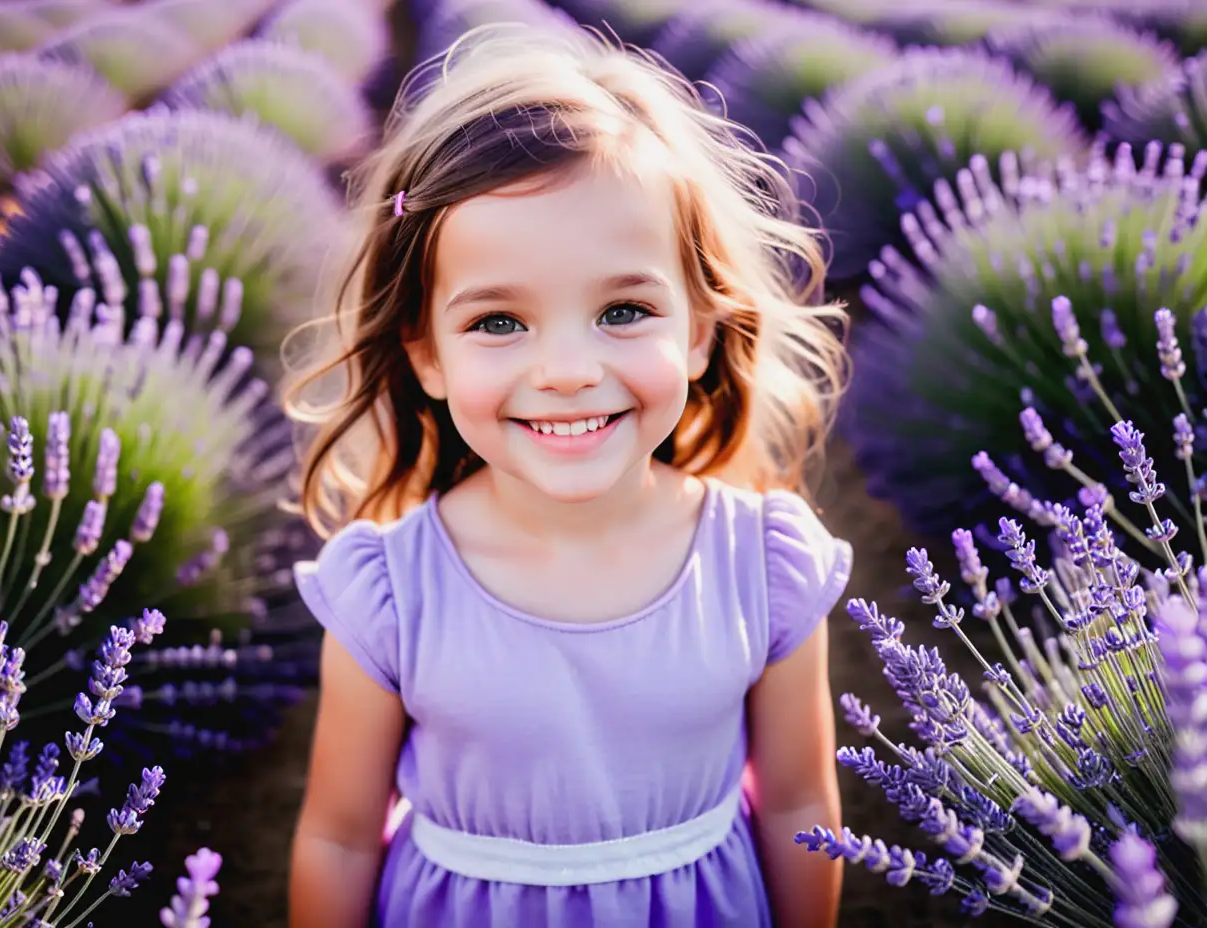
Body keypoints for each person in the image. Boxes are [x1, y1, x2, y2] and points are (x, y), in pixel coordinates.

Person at [284, 23, 853, 928]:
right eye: (499, 323)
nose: (565, 370)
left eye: (623, 310)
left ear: (700, 331)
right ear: (425, 356)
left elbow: (796, 809)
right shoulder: (391, 591)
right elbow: (340, 839)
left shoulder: (764, 566)